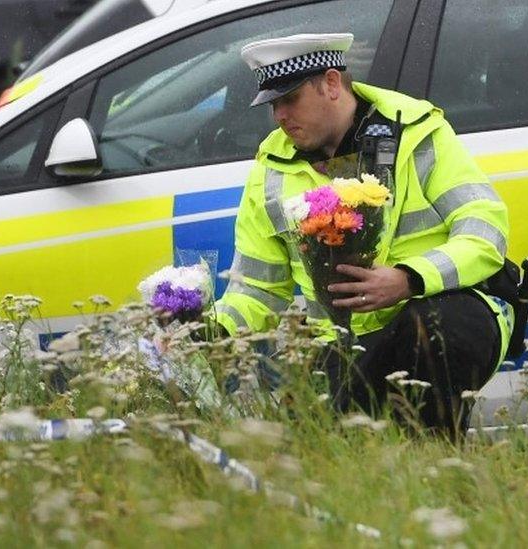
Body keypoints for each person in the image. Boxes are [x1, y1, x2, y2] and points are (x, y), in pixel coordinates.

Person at [214, 33, 511, 434]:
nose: (279, 116)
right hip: (339, 347)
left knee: (439, 326)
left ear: (332, 83)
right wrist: (208, 331)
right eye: (272, 104)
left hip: (428, 315)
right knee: (333, 451)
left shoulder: (417, 134)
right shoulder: (270, 170)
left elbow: (485, 229)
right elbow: (256, 288)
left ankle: (433, 455)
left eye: (290, 99)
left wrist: (409, 278)